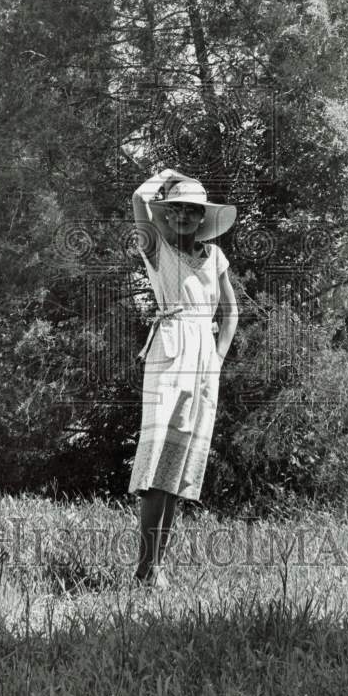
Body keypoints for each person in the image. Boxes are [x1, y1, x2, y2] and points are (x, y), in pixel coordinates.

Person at [129, 167, 238, 588]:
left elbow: (230, 313)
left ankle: (156, 568)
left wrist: (217, 360)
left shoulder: (215, 257)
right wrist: (168, 175)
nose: (181, 219)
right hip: (169, 352)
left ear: (201, 218)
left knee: (177, 469)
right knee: (157, 462)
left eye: (190, 212)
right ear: (166, 214)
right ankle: (144, 566)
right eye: (174, 211)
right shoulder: (156, 250)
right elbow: (139, 200)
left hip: (203, 362)